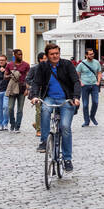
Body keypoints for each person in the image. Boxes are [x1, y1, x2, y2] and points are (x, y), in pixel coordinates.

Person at [31, 43, 80, 172]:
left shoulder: (67, 65)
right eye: (52, 54)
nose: (55, 56)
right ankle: (44, 141)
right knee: (45, 110)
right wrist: (35, 96)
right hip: (49, 98)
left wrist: (76, 97)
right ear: (47, 56)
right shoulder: (42, 67)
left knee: (65, 127)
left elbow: (76, 81)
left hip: (66, 99)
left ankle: (67, 159)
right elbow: (36, 82)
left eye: (57, 53)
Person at [4, 49, 29, 132]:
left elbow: (28, 78)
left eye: (21, 54)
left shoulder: (26, 65)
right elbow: (5, 76)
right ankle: (12, 124)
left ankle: (17, 126)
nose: (20, 56)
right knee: (10, 108)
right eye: (18, 54)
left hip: (22, 88)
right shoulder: (9, 65)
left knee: (20, 109)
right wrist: (12, 75)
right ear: (14, 55)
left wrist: (27, 89)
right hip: (12, 88)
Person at [77, 47, 102, 127]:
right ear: (86, 55)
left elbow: (99, 72)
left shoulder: (96, 62)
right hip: (85, 86)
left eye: (93, 54)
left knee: (95, 102)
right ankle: (86, 121)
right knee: (85, 105)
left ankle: (92, 116)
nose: (92, 55)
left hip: (94, 85)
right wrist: (80, 82)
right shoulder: (81, 64)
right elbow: (77, 74)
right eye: (90, 54)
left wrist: (98, 82)